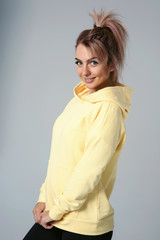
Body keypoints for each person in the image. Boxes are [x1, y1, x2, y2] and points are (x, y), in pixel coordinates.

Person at [23, 9, 134, 240]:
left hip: (84, 224)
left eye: (93, 62)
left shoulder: (109, 108)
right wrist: (44, 196)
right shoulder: (80, 98)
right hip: (56, 213)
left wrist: (57, 209)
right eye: (79, 62)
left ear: (111, 64)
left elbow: (89, 170)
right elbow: (61, 156)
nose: (84, 71)